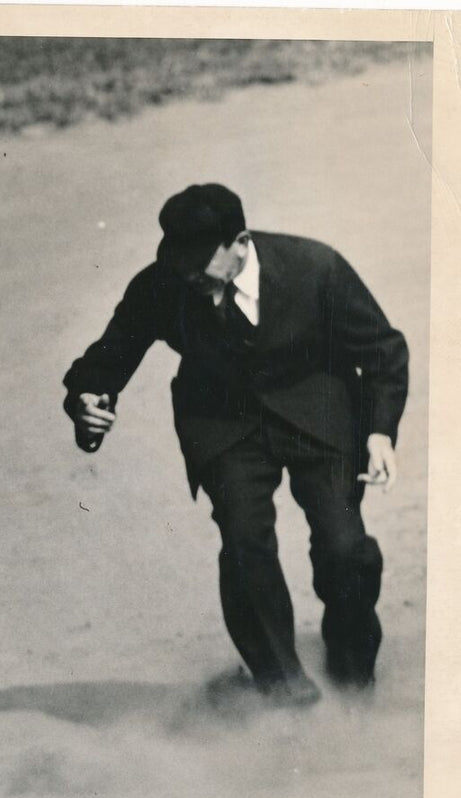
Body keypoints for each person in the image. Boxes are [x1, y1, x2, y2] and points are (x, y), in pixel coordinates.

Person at [62, 183, 408, 708]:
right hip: (223, 420)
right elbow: (107, 359)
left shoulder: (314, 268)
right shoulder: (165, 284)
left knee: (345, 549)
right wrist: (87, 400)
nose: (187, 275)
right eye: (178, 260)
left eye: (201, 262)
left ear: (241, 242)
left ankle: (353, 670)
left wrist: (381, 432)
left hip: (317, 410)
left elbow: (383, 350)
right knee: (245, 542)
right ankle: (282, 686)